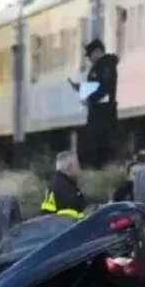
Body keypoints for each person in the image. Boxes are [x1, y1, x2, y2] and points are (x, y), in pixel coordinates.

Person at [68, 39, 119, 168]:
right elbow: (96, 87)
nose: (89, 59)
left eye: (90, 55)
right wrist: (81, 88)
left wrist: (90, 98)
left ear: (97, 52)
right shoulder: (100, 66)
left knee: (99, 143)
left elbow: (104, 88)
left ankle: (100, 168)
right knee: (93, 143)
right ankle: (97, 167)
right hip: (99, 111)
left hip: (103, 112)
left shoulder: (106, 66)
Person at [40, 150, 86, 218]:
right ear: (70, 167)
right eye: (77, 165)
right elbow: (70, 218)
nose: (79, 168)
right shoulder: (66, 189)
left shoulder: (54, 183)